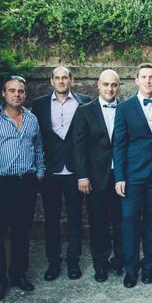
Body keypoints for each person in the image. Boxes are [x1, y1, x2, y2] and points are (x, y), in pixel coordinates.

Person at [0, 76, 45, 301]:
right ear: (3, 93)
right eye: (12, 91)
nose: (17, 95)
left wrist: (39, 175)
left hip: (26, 182)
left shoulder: (32, 120)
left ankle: (18, 275)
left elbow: (39, 149)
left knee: (22, 233)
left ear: (25, 94)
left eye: (20, 91)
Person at [113, 63, 152, 288]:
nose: (148, 81)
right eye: (143, 77)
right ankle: (131, 269)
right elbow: (118, 144)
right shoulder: (125, 108)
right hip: (132, 175)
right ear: (136, 80)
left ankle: (148, 267)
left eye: (151, 77)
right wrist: (119, 176)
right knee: (129, 221)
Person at [32, 66, 91, 281]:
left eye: (64, 77)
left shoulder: (84, 102)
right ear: (51, 81)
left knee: (76, 218)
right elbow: (36, 138)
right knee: (51, 219)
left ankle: (73, 262)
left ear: (71, 80)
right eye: (57, 78)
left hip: (76, 170)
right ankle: (53, 262)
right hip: (51, 169)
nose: (61, 81)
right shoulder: (39, 105)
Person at [71, 69, 124, 282]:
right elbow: (79, 146)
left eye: (114, 85)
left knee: (122, 222)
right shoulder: (84, 111)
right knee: (98, 223)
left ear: (118, 86)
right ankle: (100, 265)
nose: (110, 89)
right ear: (98, 85)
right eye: (106, 84)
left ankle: (120, 261)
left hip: (120, 176)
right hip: (95, 177)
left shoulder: (127, 109)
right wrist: (82, 176)